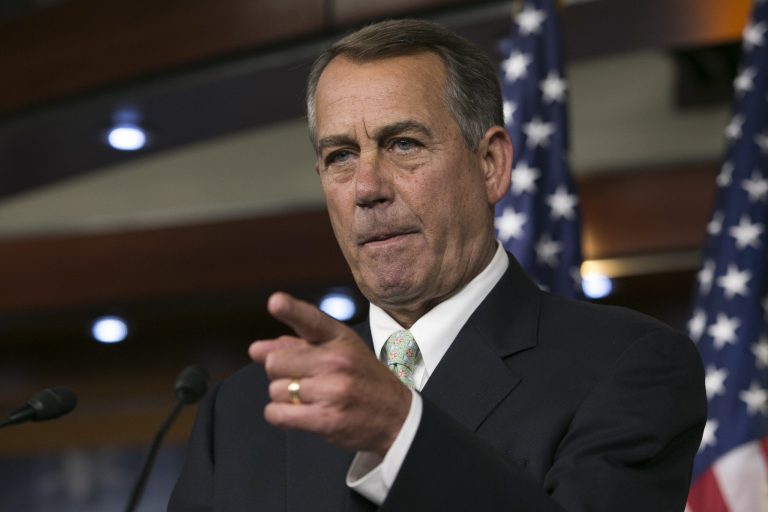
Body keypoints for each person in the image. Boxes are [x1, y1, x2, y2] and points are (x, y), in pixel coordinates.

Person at [168, 19, 706, 511]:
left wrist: (400, 433)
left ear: (490, 165)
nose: (367, 188)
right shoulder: (241, 410)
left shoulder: (629, 367)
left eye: (403, 144)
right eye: (340, 156)